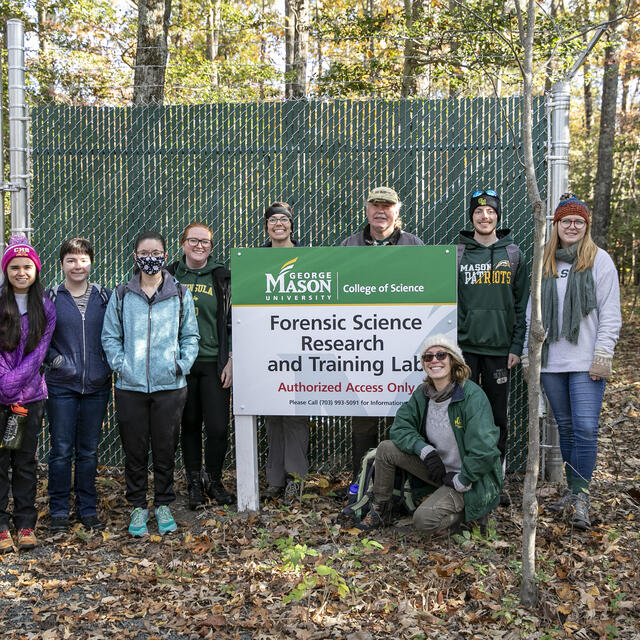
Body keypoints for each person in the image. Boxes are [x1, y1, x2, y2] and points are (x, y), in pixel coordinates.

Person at [523, 194, 621, 530]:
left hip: (586, 362)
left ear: (586, 226)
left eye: (579, 221)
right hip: (552, 362)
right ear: (557, 225)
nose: (573, 226)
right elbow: (531, 313)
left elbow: (610, 314)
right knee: (564, 427)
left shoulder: (599, 260)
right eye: (567, 220)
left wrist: (603, 354)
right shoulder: (546, 262)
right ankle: (572, 489)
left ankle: (582, 494)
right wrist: (527, 352)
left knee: (585, 428)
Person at [102, 231, 199, 536]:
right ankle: (137, 507)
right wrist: (122, 367)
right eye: (144, 252)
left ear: (164, 255)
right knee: (134, 448)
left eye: (156, 252)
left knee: (165, 447)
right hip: (130, 386)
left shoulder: (180, 294)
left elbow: (190, 336)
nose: (151, 257)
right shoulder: (121, 295)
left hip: (170, 386)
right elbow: (110, 337)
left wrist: (180, 365)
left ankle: (164, 503)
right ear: (135, 257)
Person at [357, 334, 502, 534]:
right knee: (386, 449)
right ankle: (381, 509)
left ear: (453, 361)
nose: (434, 360)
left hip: (471, 478)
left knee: (423, 521)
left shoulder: (471, 396)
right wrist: (425, 451)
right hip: (440, 470)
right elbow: (400, 427)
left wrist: (463, 479)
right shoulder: (423, 393)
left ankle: (470, 515)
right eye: (428, 357)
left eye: (441, 355)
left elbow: (484, 450)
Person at [340, 186, 424, 476]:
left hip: (403, 351)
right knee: (362, 421)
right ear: (366, 210)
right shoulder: (349, 245)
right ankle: (360, 485)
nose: (380, 210)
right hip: (362, 351)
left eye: (386, 206)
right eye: (375, 204)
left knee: (401, 423)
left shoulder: (414, 246)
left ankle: (396, 487)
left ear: (396, 211)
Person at [456, 189, 529, 464]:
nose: (484, 216)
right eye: (478, 211)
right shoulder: (458, 254)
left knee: (498, 415)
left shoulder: (512, 254)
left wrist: (515, 346)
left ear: (497, 216)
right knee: (464, 413)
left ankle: (494, 474)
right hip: (465, 349)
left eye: (490, 212)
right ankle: (465, 471)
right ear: (472, 216)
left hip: (500, 351)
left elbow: (522, 305)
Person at [45, 238, 112, 533]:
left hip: (97, 385)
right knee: (60, 450)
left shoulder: (104, 297)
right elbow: (37, 338)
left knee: (88, 451)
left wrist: (107, 363)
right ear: (62, 264)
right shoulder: (50, 297)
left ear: (91, 263)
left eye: (83, 259)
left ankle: (87, 508)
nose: (77, 265)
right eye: (71, 260)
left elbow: (115, 334)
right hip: (61, 385)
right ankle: (59, 510)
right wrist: (56, 361)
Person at [166, 223, 233, 509]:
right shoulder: (168, 275)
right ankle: (194, 482)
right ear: (182, 244)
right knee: (189, 424)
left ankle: (214, 480)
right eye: (193, 240)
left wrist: (231, 358)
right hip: (181, 363)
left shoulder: (222, 276)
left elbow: (233, 321)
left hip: (213, 361)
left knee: (217, 427)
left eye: (205, 242)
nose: (199, 246)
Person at [0, 236, 56, 552]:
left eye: (27, 267)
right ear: (6, 270)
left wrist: (16, 387)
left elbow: (38, 354)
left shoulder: (46, 307)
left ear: (35, 270)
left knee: (24, 462)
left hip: (31, 398)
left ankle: (24, 524)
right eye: (15, 267)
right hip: (0, 396)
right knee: (0, 462)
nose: (21, 272)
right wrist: (5, 386)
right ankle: (1, 526)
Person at [259, 202, 310, 502]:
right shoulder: (255, 259)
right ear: (266, 226)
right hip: (266, 344)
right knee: (272, 413)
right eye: (273, 220)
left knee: (295, 414)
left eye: (284, 220)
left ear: (292, 225)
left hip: (300, 345)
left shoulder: (307, 257)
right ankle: (274, 479)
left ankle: (296, 478)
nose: (279, 224)